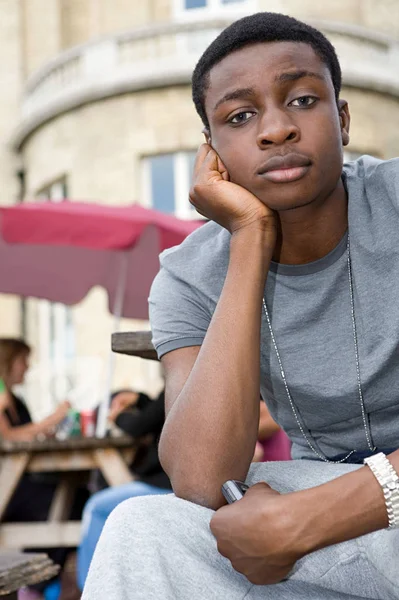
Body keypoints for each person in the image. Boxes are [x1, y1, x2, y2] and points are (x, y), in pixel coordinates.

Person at [82, 12, 399, 600]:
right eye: (240, 116)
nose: (276, 129)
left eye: (303, 99)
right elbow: (202, 480)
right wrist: (250, 238)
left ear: (344, 118)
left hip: (352, 508)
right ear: (213, 153)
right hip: (326, 506)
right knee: (140, 529)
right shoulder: (189, 272)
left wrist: (314, 517)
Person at [76, 389, 172, 590]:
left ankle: (90, 589)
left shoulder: (181, 377)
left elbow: (138, 425)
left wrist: (117, 416)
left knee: (95, 507)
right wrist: (140, 399)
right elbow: (158, 413)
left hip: (165, 484)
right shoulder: (197, 381)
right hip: (174, 482)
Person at [0, 338, 70, 441]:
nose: (27, 366)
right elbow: (6, 436)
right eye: (22, 360)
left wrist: (40, 433)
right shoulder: (3, 397)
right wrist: (53, 419)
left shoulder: (16, 401)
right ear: (7, 362)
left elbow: (23, 434)